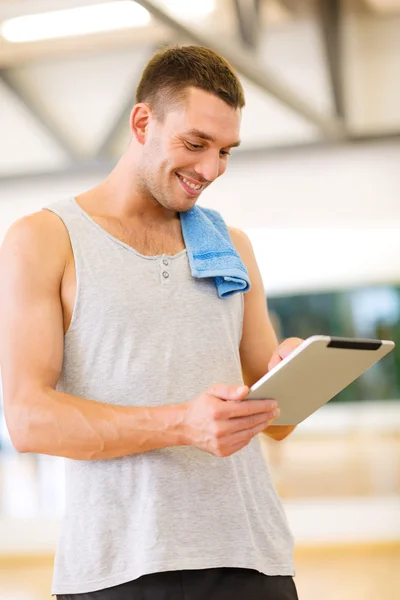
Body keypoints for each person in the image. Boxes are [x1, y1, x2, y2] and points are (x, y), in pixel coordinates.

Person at [0, 45, 302, 599]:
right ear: (142, 122)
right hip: (119, 568)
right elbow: (28, 419)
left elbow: (275, 422)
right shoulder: (43, 240)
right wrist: (183, 424)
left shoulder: (231, 246)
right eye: (195, 144)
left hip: (252, 558)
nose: (210, 170)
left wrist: (296, 374)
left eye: (225, 152)